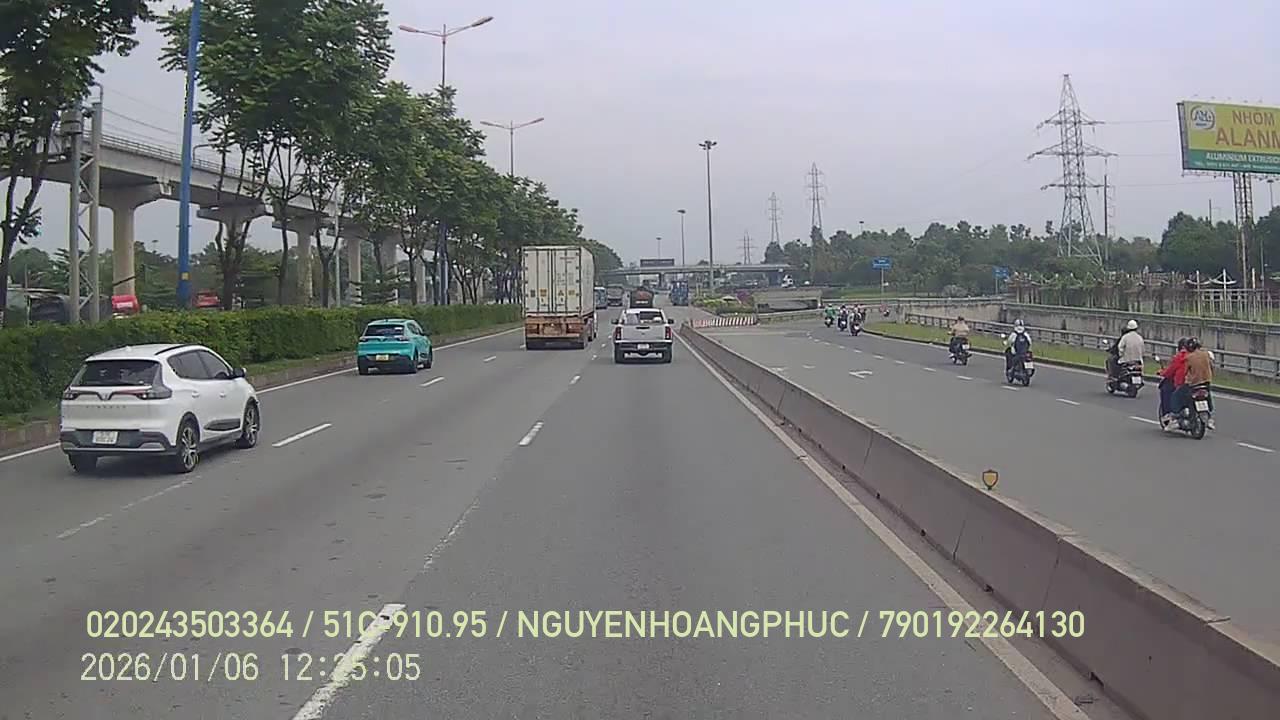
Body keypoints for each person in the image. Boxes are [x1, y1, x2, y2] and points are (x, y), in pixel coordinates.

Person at [1170, 337, 1215, 430]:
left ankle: (1176, 416)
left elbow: (1185, 371)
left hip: (1193, 384)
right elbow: (1211, 367)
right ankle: (1210, 417)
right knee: (1208, 395)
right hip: (1206, 382)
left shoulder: (1189, 357)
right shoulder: (1206, 354)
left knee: (1176, 395)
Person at [1158, 338, 1189, 423]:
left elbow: (1170, 371)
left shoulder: (1180, 356)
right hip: (1196, 382)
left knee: (1166, 389)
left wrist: (1162, 373)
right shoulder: (1195, 355)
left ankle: (1168, 414)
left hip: (1181, 383)